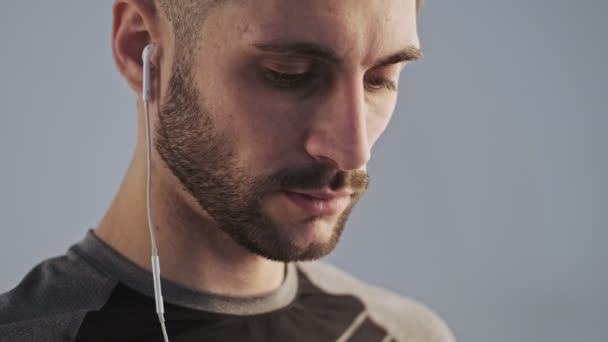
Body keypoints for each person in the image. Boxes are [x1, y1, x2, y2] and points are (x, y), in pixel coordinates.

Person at [0, 0, 455, 341]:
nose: (353, 153)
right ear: (142, 47)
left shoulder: (405, 334)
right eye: (290, 73)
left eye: (380, 80)